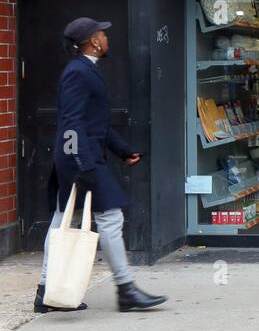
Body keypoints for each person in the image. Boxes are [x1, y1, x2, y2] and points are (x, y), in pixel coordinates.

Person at [34, 17, 168, 313]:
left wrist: (122, 150)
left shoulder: (86, 70)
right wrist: (82, 164)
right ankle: (126, 290)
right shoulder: (78, 73)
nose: (107, 38)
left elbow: (96, 123)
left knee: (62, 221)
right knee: (110, 218)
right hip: (80, 158)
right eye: (103, 34)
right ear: (93, 41)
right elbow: (71, 123)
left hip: (80, 156)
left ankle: (46, 291)